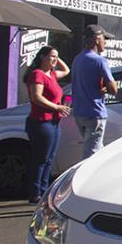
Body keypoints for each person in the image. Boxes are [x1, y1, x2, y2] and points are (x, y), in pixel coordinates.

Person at [24, 45, 71, 203]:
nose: (55, 60)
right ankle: (34, 193)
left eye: (56, 57)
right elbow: (36, 97)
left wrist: (56, 57)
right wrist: (57, 107)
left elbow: (66, 70)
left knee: (49, 159)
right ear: (42, 57)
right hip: (40, 123)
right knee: (40, 159)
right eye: (51, 56)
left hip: (54, 122)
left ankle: (44, 191)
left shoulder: (51, 74)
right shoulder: (37, 74)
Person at [71, 25, 118, 159]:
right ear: (97, 39)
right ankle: (85, 179)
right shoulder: (100, 61)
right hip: (95, 113)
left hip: (80, 113)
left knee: (96, 149)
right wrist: (108, 88)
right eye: (104, 39)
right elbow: (114, 89)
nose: (106, 43)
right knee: (91, 155)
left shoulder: (77, 59)